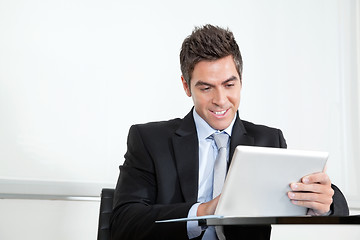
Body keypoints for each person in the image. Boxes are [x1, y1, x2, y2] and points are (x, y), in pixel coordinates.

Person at [110, 24, 349, 240]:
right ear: (186, 85)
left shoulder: (268, 140)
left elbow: (330, 202)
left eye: (229, 85)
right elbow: (124, 222)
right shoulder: (150, 141)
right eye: (206, 88)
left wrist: (324, 203)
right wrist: (205, 211)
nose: (221, 100)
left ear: (241, 81)